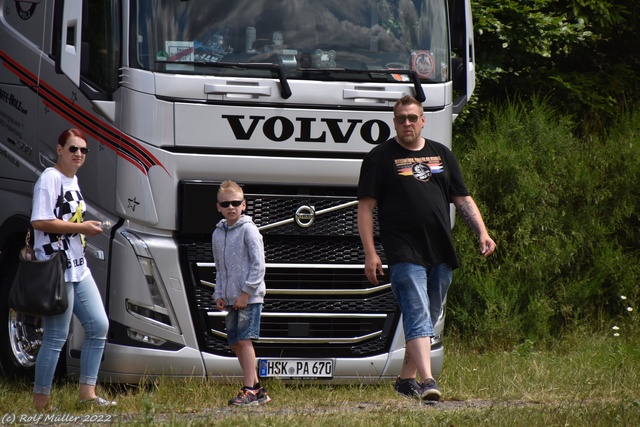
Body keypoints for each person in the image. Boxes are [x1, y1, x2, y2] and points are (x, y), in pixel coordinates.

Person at [357, 96, 496, 401]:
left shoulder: (442, 154)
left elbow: (462, 199)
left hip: (440, 249)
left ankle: (405, 380)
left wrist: (482, 233)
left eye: (412, 117)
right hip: (403, 249)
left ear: (422, 120)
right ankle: (427, 380)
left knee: (429, 316)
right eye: (401, 118)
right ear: (394, 123)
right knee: (417, 311)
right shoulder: (379, 158)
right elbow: (365, 208)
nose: (407, 123)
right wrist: (371, 252)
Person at [31, 128, 116, 410]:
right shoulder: (50, 178)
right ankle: (41, 403)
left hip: (78, 266)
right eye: (72, 149)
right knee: (56, 335)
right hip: (56, 268)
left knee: (98, 325)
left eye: (83, 150)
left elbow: (68, 220)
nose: (78, 154)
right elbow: (40, 221)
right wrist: (81, 228)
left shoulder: (72, 179)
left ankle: (87, 393)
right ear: (59, 149)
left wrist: (86, 230)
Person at [212, 180, 271, 406]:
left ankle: (249, 390)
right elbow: (219, 267)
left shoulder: (249, 230)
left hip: (249, 298)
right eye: (225, 204)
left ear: (244, 204)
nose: (231, 207)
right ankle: (258, 389)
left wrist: (246, 293)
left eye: (236, 203)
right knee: (235, 342)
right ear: (218, 207)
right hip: (230, 299)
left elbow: (259, 266)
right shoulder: (218, 234)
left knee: (245, 340)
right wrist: (219, 293)